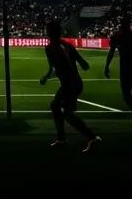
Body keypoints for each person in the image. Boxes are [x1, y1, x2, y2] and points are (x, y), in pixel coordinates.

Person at [39, 21, 99, 152]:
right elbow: (85, 65)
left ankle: (92, 137)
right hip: (75, 83)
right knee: (55, 106)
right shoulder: (68, 45)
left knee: (67, 114)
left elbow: (53, 69)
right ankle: (62, 139)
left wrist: (46, 77)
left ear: (49, 33)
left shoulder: (50, 48)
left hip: (69, 84)